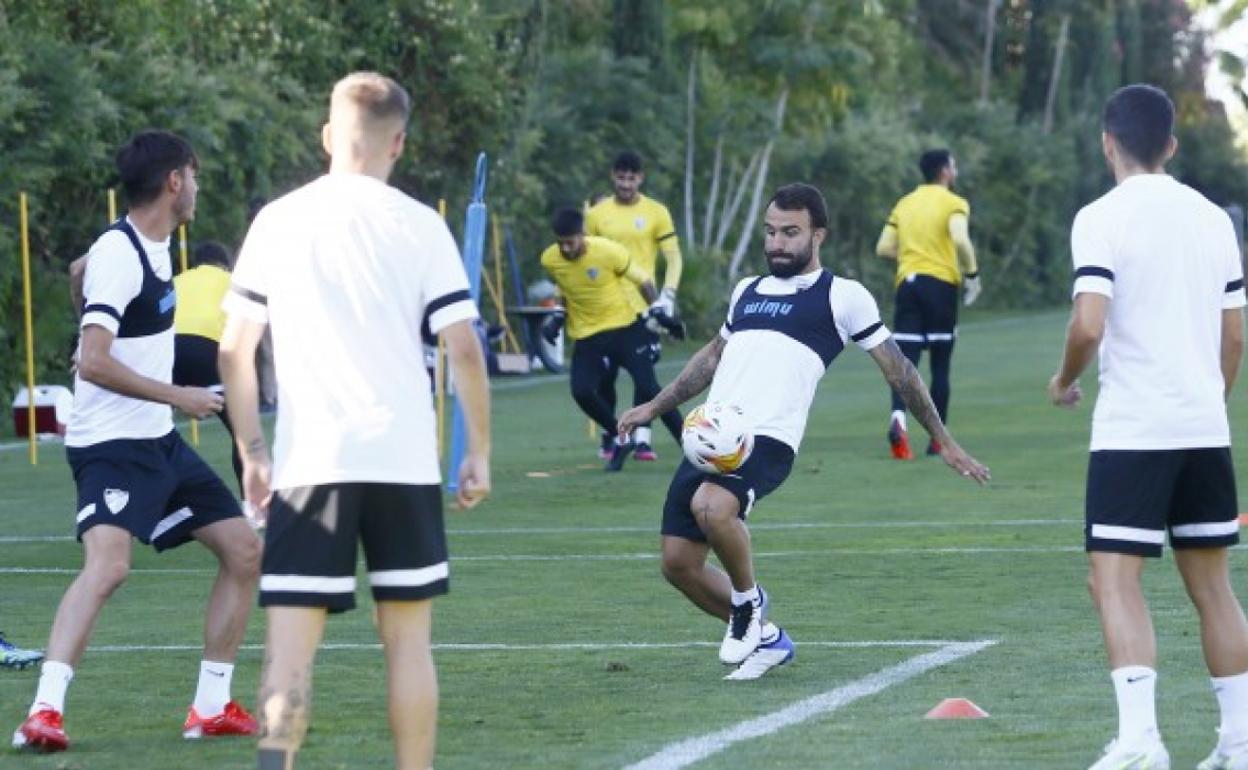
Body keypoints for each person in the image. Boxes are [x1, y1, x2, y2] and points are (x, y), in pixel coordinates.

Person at [218, 71, 491, 770]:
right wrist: (478, 452)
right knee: (407, 644)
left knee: (289, 649)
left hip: (313, 463)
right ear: (398, 142)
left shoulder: (278, 220)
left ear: (329, 136)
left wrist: (251, 449)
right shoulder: (421, 224)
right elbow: (462, 347)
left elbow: (234, 350)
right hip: (401, 461)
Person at [620, 183, 989, 679]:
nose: (777, 243)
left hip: (766, 437)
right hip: (713, 436)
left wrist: (944, 440)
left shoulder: (843, 296)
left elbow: (900, 370)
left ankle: (748, 604)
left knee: (712, 506)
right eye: (771, 232)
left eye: (790, 233)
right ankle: (767, 637)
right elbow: (711, 357)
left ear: (818, 235)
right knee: (678, 564)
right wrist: (653, 405)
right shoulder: (746, 290)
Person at [12, 131, 261, 754]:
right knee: (109, 568)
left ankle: (210, 707)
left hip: (158, 444)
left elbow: (81, 278)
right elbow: (93, 363)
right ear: (175, 181)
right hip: (112, 447)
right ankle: (43, 711)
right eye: (195, 176)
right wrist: (181, 396)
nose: (198, 188)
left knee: (243, 552)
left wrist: (83, 295)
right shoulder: (122, 251)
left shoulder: (147, 249)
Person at [1048, 84, 1248, 770]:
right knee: (1215, 588)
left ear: (1108, 142)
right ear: (1172, 144)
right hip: (1203, 427)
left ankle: (1140, 744)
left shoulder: (1099, 218)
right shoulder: (1214, 220)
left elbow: (1089, 324)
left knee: (1113, 579)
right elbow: (1235, 341)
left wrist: (1066, 378)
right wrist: (1207, 402)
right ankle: (1240, 744)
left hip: (1135, 430)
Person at [541, 207, 683, 472]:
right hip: (587, 336)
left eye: (570, 242)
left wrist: (658, 313)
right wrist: (558, 316)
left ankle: (689, 445)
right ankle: (621, 437)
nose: (565, 249)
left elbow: (642, 280)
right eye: (560, 243)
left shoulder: (607, 251)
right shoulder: (550, 259)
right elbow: (563, 284)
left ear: (582, 235)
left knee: (650, 388)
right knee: (582, 391)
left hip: (625, 329)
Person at [875, 148, 981, 460]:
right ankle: (937, 440)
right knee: (939, 366)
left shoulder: (904, 203)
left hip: (907, 285)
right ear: (946, 171)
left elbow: (883, 247)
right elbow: (960, 240)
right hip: (940, 286)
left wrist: (911, 257)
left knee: (904, 365)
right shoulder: (954, 203)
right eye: (954, 164)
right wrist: (972, 275)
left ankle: (898, 420)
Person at [586, 150, 683, 461]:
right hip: (607, 308)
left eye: (632, 178)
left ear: (640, 178)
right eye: (621, 177)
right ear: (613, 176)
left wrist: (668, 293)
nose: (626, 183)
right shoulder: (597, 215)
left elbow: (673, 257)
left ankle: (642, 438)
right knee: (606, 375)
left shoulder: (656, 212)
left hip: (645, 304)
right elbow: (586, 258)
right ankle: (610, 434)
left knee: (645, 375)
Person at [173, 241, 243, 491]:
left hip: (165, 351)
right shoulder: (232, 280)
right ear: (225, 265)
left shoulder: (178, 280)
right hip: (206, 347)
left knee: (152, 432)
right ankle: (252, 505)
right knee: (241, 432)